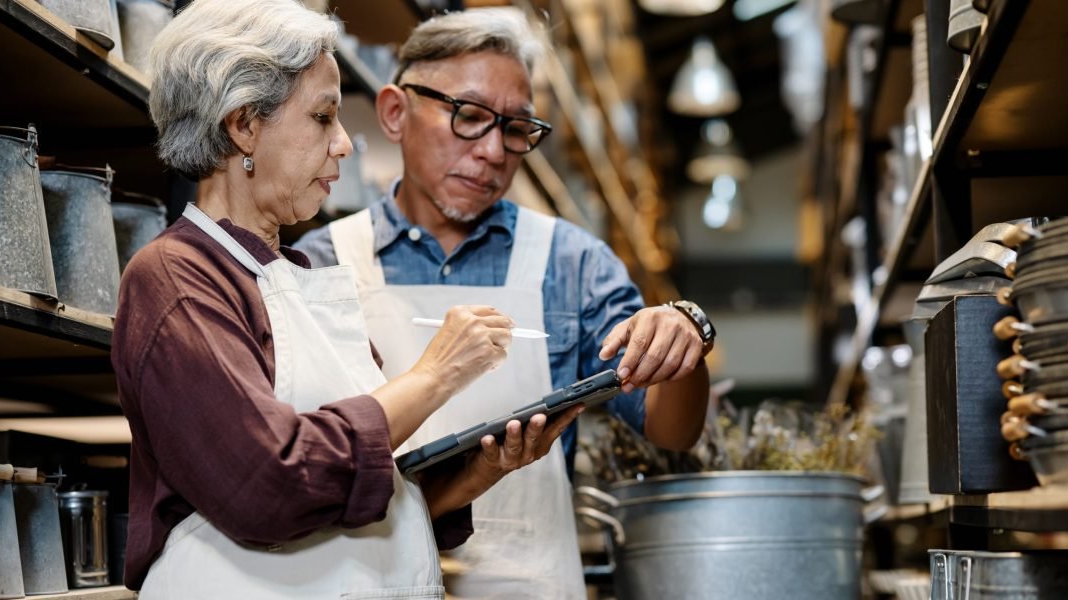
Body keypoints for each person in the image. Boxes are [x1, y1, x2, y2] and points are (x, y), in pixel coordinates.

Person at [110, 1, 578, 598]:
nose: (343, 145)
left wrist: (484, 469)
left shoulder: (304, 280)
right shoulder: (176, 278)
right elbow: (268, 485)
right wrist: (437, 374)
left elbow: (366, 495)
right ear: (244, 124)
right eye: (324, 117)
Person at [295, 8, 714, 597]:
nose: (494, 151)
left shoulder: (572, 263)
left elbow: (672, 431)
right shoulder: (317, 265)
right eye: (468, 117)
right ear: (395, 111)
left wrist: (684, 343)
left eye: (517, 129)